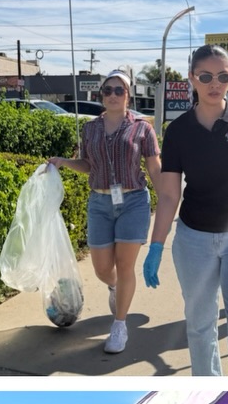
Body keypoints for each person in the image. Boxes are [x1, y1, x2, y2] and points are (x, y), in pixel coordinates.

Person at [145, 43, 228, 376]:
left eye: (223, 76)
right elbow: (170, 195)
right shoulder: (178, 131)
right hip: (194, 241)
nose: (214, 83)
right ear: (192, 78)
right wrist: (157, 245)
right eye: (205, 76)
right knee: (200, 329)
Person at [48, 70, 162, 356]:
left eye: (118, 90)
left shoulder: (142, 129)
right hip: (99, 203)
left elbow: (154, 168)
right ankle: (115, 287)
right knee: (102, 269)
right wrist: (63, 162)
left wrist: (170, 197)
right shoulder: (90, 129)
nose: (112, 95)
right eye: (107, 91)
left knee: (125, 266)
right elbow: (88, 164)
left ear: (128, 95)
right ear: (101, 96)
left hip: (134, 201)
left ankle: (119, 325)